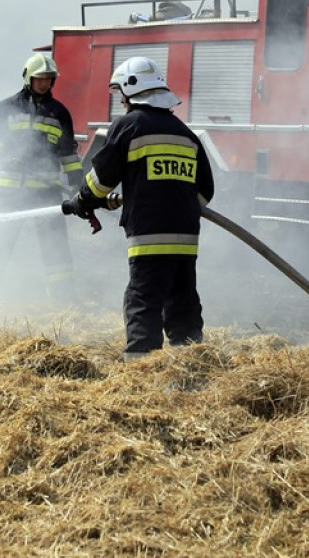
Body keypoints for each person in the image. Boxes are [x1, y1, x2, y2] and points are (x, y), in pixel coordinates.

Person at [63, 56, 215, 360]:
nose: (120, 101)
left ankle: (140, 368)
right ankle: (191, 363)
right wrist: (176, 206)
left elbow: (102, 180)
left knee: (143, 299)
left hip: (149, 236)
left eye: (121, 93)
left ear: (132, 89)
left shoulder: (128, 126)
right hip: (186, 238)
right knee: (182, 300)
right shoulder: (185, 133)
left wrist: (82, 201)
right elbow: (205, 191)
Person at [0, 53, 83, 299]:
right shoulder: (6, 108)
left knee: (55, 247)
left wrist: (79, 185)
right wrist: (3, 157)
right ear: (28, 77)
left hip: (47, 192)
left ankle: (63, 298)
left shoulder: (59, 113)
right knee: (0, 242)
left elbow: (68, 154)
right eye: (40, 78)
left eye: (49, 79)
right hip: (11, 191)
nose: (45, 83)